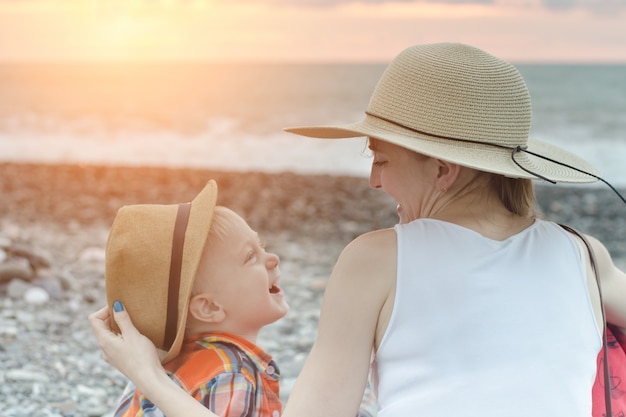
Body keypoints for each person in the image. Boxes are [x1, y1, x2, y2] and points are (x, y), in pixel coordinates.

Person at [90, 42, 626, 417]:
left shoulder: (376, 260)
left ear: (443, 169)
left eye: (382, 158)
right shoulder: (583, 253)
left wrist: (148, 375)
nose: (372, 179)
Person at [99, 179, 289, 417]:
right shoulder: (233, 372)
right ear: (209, 307)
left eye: (261, 246)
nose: (272, 258)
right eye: (250, 256)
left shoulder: (156, 369)